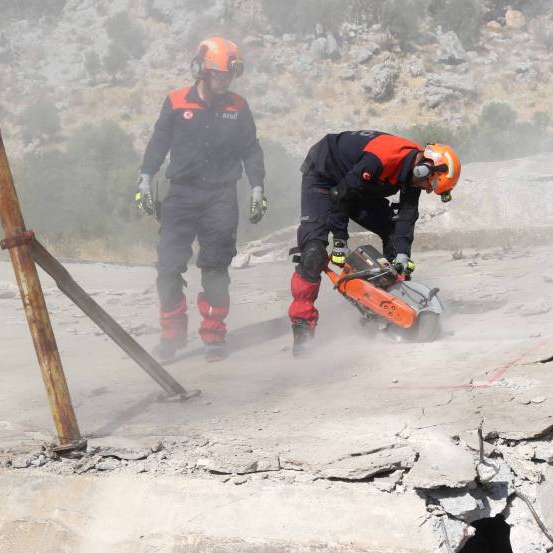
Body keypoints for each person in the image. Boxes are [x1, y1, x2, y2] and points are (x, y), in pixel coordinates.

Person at [135, 37, 267, 362]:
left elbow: (251, 149)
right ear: (201, 70)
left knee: (215, 269)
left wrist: (257, 187)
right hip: (180, 194)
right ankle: (172, 334)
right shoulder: (177, 101)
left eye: (228, 77)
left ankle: (213, 335)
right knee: (167, 267)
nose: (223, 82)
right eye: (218, 75)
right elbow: (158, 142)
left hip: (221, 196)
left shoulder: (237, 107)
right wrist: (144, 178)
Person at [288, 131, 460, 355]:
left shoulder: (413, 173)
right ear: (424, 167)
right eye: (430, 183)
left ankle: (384, 305)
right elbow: (341, 194)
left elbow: (406, 216)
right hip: (324, 175)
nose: (427, 189)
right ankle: (303, 329)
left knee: (393, 235)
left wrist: (402, 256)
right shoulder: (382, 158)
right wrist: (340, 240)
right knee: (314, 253)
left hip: (355, 185)